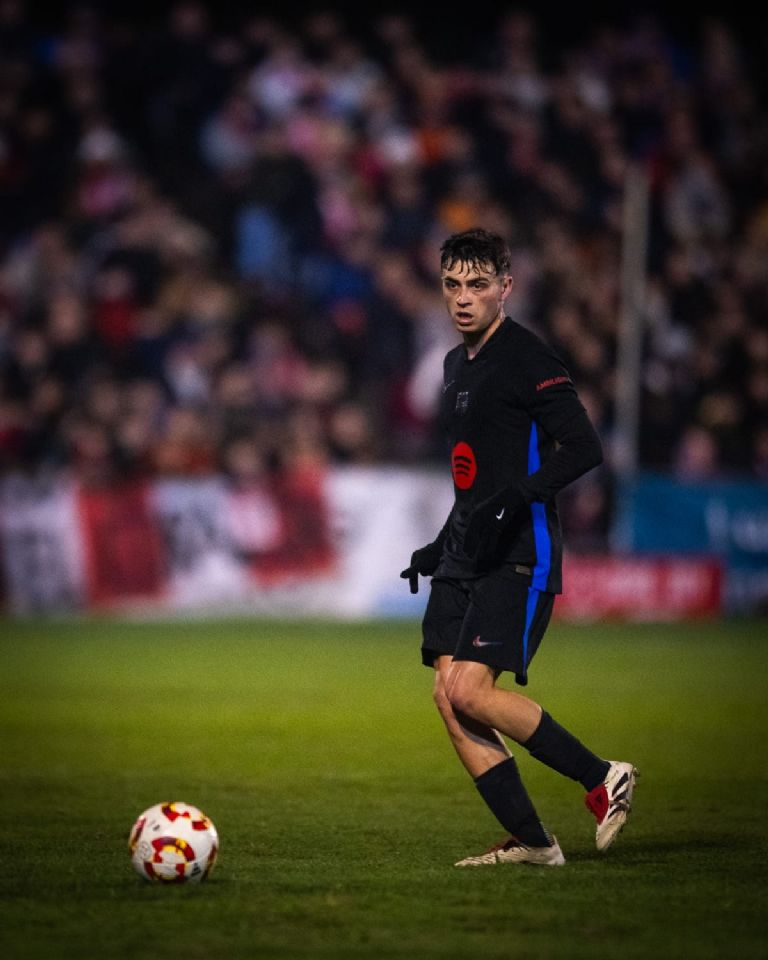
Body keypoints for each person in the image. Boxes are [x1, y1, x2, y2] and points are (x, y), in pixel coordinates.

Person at [400, 228, 637, 867]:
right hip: (465, 552)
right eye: (452, 284)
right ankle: (535, 844)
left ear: (506, 287)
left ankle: (603, 775)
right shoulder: (454, 366)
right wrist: (438, 545)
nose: (462, 298)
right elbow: (474, 479)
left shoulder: (530, 358)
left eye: (477, 285)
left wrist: (519, 497)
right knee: (448, 696)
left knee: (470, 691)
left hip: (518, 551)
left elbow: (584, 447)